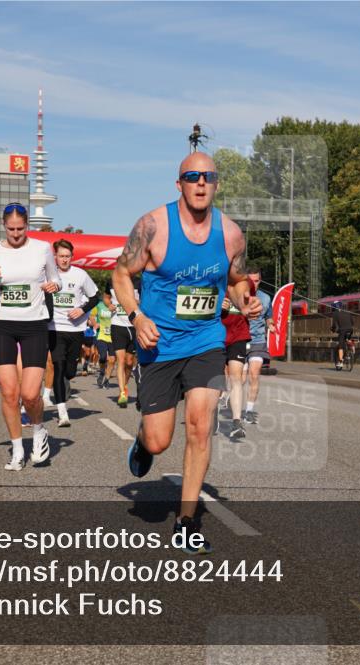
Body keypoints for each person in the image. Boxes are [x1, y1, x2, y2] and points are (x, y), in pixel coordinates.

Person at [114, 152, 260, 554]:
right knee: (160, 440)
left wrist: (245, 299)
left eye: (208, 176)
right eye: (192, 176)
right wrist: (136, 315)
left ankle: (186, 520)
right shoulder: (153, 227)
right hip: (158, 343)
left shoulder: (231, 234)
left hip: (206, 341)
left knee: (200, 424)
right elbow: (121, 273)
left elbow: (236, 279)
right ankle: (143, 442)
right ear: (178, 184)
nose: (200, 182)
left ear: (216, 184)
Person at [0, 203, 61, 471]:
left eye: (21, 229)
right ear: (3, 225)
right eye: (11, 229)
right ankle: (18, 450)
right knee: (9, 393)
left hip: (34, 325)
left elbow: (57, 279)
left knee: (30, 394)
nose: (16, 234)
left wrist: (54, 285)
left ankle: (39, 430)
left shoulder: (42, 248)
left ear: (27, 225)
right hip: (2, 326)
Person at [46, 239, 99, 428]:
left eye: (67, 256)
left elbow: (95, 297)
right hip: (54, 328)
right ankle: (62, 412)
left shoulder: (81, 275)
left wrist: (82, 310)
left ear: (72, 257)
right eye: (61, 256)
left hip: (75, 329)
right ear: (55, 257)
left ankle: (66, 381)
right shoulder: (47, 275)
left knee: (69, 371)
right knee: (58, 367)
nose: (64, 260)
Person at [242, 268, 274, 424]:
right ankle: (227, 398)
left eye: (256, 281)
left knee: (254, 374)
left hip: (258, 341)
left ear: (260, 281)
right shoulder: (239, 296)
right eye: (250, 280)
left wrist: (272, 325)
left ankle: (249, 410)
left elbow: (269, 318)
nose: (253, 284)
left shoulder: (266, 298)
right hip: (240, 340)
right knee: (239, 378)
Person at [219, 294, 251, 439]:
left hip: (238, 335)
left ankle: (236, 422)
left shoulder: (244, 286)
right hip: (215, 335)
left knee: (236, 378)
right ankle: (212, 413)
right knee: (216, 379)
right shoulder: (215, 277)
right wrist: (217, 306)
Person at [109, 286, 139, 407]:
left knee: (129, 362)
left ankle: (125, 386)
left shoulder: (138, 282)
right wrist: (108, 305)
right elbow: (106, 297)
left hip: (133, 325)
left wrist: (138, 302)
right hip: (117, 326)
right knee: (120, 360)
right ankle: (122, 392)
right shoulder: (111, 281)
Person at [92, 290, 116, 389]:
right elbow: (92, 316)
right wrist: (94, 323)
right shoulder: (98, 305)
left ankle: (106, 379)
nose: (108, 299)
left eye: (110, 297)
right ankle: (102, 372)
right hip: (101, 335)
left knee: (112, 360)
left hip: (113, 336)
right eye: (106, 297)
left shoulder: (116, 306)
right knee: (102, 357)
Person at [330, 300, 354, 370]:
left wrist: (333, 330)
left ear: (334, 308)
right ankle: (351, 348)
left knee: (340, 346)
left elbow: (334, 325)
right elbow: (352, 323)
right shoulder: (347, 312)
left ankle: (340, 362)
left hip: (342, 331)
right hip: (350, 330)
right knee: (347, 339)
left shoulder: (335, 314)